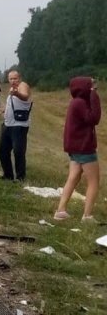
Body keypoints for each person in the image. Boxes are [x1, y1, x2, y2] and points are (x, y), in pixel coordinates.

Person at [54, 77, 101, 222]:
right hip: (84, 147)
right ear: (84, 87)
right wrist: (94, 96)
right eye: (91, 84)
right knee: (94, 182)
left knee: (73, 177)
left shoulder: (76, 102)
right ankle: (87, 216)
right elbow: (94, 118)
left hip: (75, 147)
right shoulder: (80, 103)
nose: (94, 87)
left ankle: (61, 211)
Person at [0, 70, 33, 181]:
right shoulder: (12, 90)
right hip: (7, 124)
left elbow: (25, 97)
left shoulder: (23, 85)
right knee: (2, 150)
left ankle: (20, 177)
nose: (13, 81)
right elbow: (15, 105)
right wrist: (3, 110)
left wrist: (16, 93)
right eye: (11, 79)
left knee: (18, 151)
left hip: (19, 126)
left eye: (15, 78)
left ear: (20, 78)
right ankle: (8, 175)